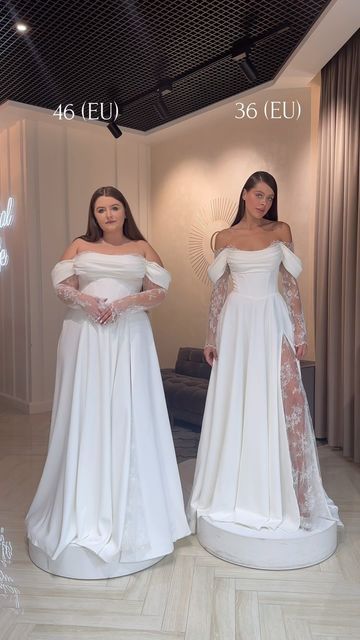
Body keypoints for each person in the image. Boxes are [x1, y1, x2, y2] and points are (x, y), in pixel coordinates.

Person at [26, 186, 190, 571]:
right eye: (100, 209)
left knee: (127, 413)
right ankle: (82, 504)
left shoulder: (143, 247)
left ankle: (131, 506)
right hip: (84, 336)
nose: (108, 214)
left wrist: (123, 304)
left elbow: (159, 291)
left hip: (130, 336)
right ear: (93, 214)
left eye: (114, 207)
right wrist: (87, 301)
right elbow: (60, 286)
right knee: (87, 413)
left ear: (124, 210)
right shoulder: (79, 245)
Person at [186, 171, 340, 533]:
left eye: (269, 197)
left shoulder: (280, 230)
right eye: (258, 195)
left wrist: (300, 331)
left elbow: (290, 284)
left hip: (273, 319)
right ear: (244, 195)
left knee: (287, 400)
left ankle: (295, 496)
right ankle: (241, 489)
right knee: (240, 399)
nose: (264, 202)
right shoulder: (223, 238)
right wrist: (211, 337)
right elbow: (220, 291)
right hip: (237, 323)